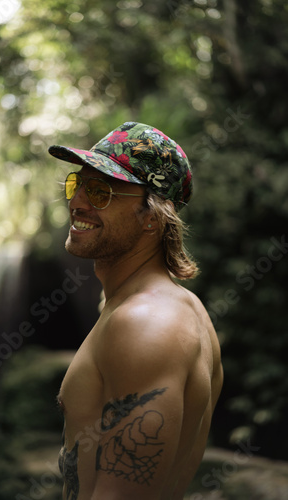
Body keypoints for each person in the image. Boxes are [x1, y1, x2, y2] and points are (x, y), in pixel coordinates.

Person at [48, 121, 223, 500]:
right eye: (77, 184)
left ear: (153, 217)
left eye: (100, 192)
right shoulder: (177, 308)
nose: (76, 202)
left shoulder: (145, 324)